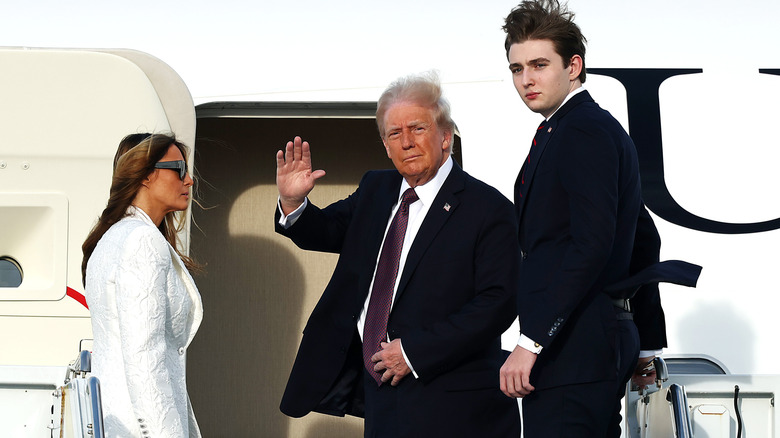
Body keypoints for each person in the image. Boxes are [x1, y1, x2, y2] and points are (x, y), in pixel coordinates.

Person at [275, 73, 522, 437]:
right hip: (381, 394)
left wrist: (414, 352)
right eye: (394, 134)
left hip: (454, 404)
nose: (406, 142)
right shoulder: (376, 188)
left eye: (417, 128)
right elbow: (326, 229)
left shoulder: (488, 208)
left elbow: (498, 303)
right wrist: (294, 202)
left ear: (445, 137)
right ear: (386, 146)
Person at [499, 1, 646, 435]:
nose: (526, 79)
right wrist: (647, 344)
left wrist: (532, 341)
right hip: (587, 343)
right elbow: (643, 236)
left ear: (574, 65)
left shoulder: (581, 130)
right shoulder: (572, 127)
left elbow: (591, 245)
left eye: (540, 64)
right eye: (516, 68)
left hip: (575, 346)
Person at [82, 133, 203, 438]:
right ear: (146, 174)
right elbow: (145, 359)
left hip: (115, 421)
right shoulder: (142, 241)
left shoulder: (112, 237)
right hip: (142, 427)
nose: (189, 180)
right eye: (179, 169)